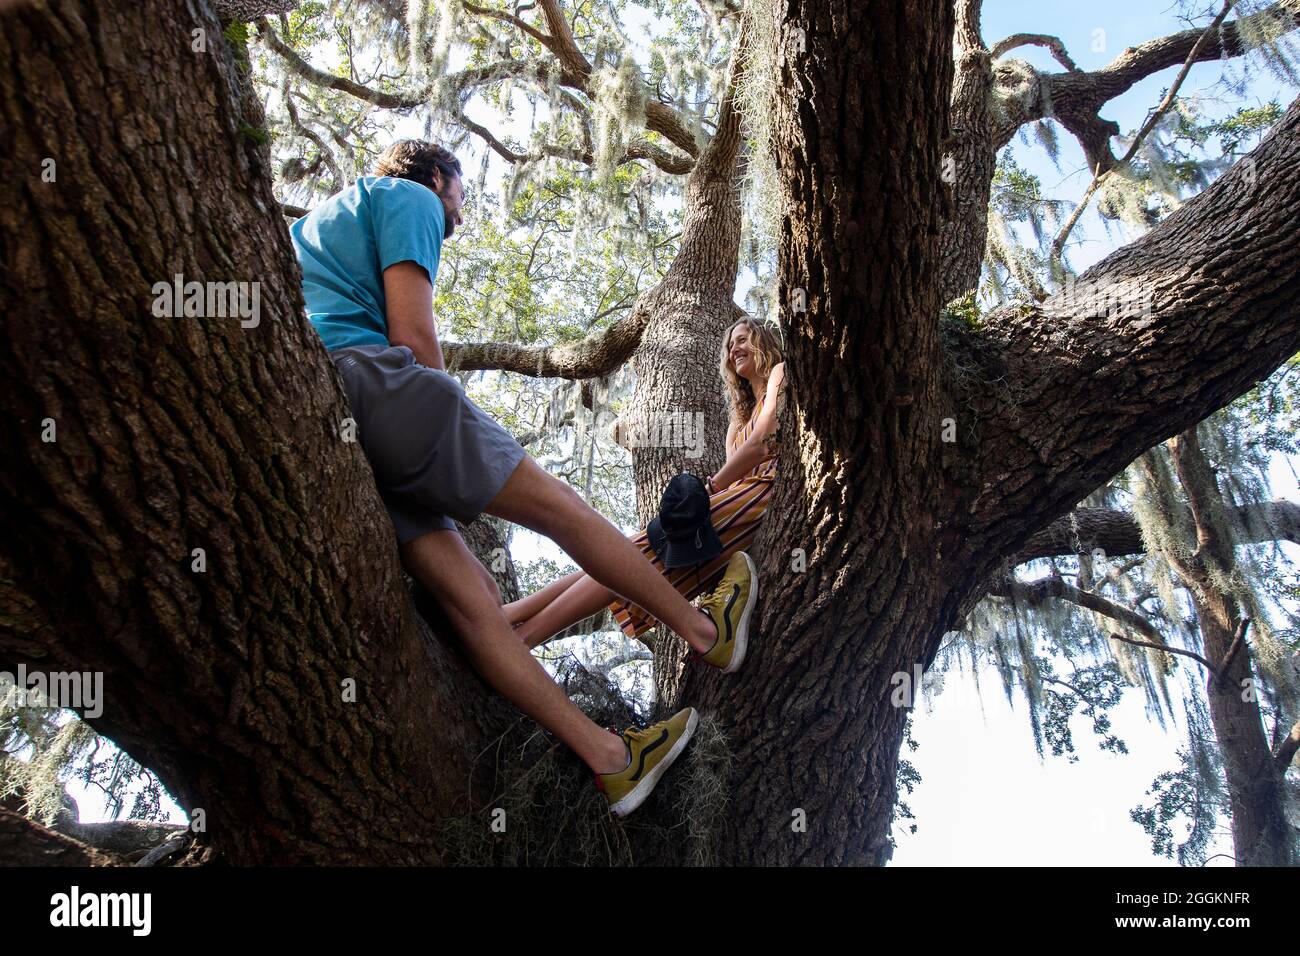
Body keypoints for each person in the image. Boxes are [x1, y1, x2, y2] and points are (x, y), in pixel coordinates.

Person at [288, 139, 757, 817]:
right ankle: (707, 632)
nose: (459, 208)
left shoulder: (310, 228)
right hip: (375, 385)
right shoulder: (405, 197)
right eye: (461, 193)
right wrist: (440, 434)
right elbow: (416, 341)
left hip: (337, 432)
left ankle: (612, 760)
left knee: (475, 602)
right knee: (562, 509)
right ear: (440, 176)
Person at [506, 318, 785, 667]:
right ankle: (514, 616)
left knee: (630, 557)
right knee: (624, 553)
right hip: (738, 502)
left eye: (743, 340)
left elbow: (761, 445)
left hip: (764, 496)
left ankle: (519, 635)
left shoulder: (780, 374)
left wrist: (709, 488)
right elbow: (740, 459)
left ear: (763, 342)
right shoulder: (737, 421)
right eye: (730, 346)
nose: (734, 350)